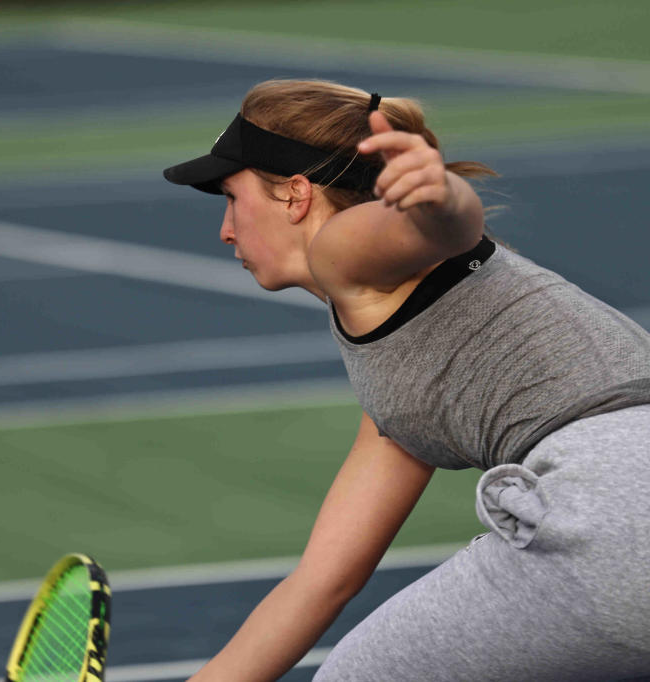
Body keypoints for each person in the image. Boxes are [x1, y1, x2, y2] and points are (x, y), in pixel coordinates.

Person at [162, 79, 650, 681]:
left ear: (295, 194)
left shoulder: (342, 251)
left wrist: (440, 193)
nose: (226, 230)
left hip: (616, 512)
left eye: (231, 198)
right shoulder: (407, 386)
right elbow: (322, 582)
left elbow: (445, 226)